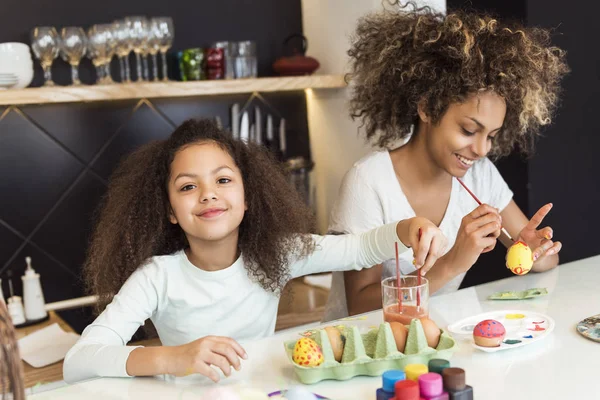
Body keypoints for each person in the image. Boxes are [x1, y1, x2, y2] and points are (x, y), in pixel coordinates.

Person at [63, 119, 447, 383]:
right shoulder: (156, 277)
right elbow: (79, 360)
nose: (208, 193)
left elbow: (360, 248)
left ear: (247, 198)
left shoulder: (277, 253)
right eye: (187, 187)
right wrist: (174, 358)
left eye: (223, 180)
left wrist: (407, 228)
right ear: (170, 212)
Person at [323, 2, 569, 321]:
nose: (481, 149)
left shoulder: (480, 177)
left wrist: (536, 250)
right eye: (469, 130)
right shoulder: (368, 182)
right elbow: (359, 306)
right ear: (427, 109)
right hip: (363, 351)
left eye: (491, 135)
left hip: (437, 338)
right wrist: (453, 262)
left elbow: (545, 263)